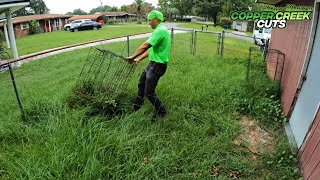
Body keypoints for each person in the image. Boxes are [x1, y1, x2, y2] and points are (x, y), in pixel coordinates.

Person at [126, 10, 170, 122]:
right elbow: (151, 49)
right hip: (153, 64)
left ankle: (162, 113)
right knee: (141, 83)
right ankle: (137, 105)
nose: (149, 22)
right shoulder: (160, 30)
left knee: (149, 92)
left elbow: (146, 45)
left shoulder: (160, 30)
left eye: (150, 20)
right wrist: (139, 59)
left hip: (157, 66)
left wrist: (132, 56)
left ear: (156, 19)